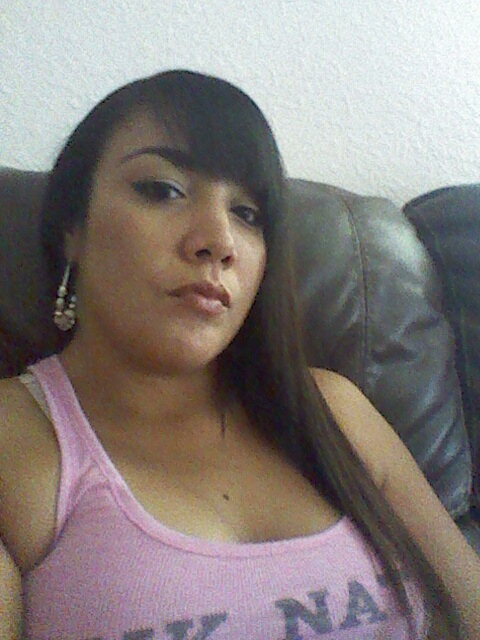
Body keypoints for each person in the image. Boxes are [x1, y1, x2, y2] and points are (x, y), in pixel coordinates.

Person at [0, 70, 478, 640]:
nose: (220, 242)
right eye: (164, 190)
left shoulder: (334, 410)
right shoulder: (17, 438)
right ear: (71, 228)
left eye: (248, 214)